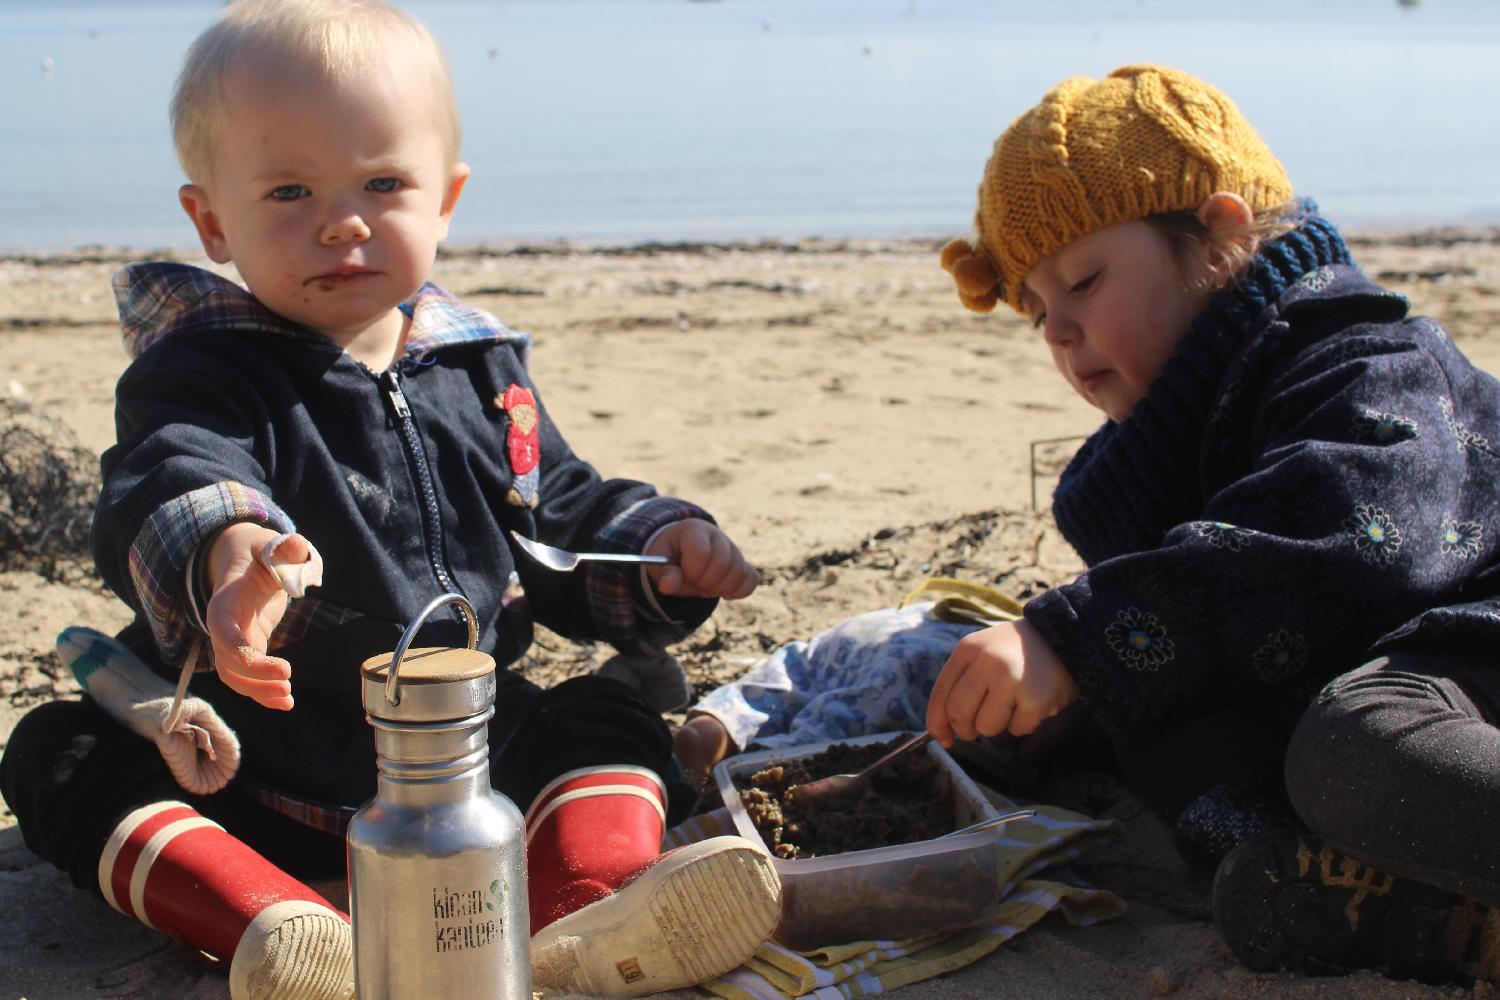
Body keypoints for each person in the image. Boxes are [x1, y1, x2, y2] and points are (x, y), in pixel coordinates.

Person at [0, 2, 781, 998]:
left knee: (610, 712)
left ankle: (594, 898)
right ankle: (276, 921)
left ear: (446, 198)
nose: (343, 221)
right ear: (211, 221)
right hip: (254, 765)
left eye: (382, 183)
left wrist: (662, 548)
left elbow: (564, 521)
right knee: (58, 753)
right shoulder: (202, 368)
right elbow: (173, 468)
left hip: (472, 760)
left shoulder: (481, 371)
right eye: (289, 190)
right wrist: (231, 550)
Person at [677, 64, 1500, 986]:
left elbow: (1351, 541)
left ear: (1220, 238)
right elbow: (1216, 638)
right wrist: (1077, 698)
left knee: (1356, 748)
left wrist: (1081, 637)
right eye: (1037, 311)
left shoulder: (1363, 360)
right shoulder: (1169, 450)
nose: (1060, 332)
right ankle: (1430, 904)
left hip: (1473, 637)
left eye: (1087, 280)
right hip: (1372, 674)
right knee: (1191, 740)